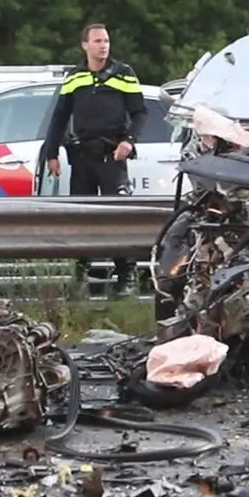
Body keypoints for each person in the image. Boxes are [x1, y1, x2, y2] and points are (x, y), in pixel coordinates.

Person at [40, 23, 148, 296]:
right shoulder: (74, 77)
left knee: (118, 218)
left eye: (107, 41)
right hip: (82, 157)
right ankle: (80, 277)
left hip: (112, 155)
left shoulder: (123, 74)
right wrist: (52, 153)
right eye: (98, 41)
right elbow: (59, 117)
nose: (104, 46)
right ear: (85, 45)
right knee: (82, 219)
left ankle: (126, 276)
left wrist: (129, 141)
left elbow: (140, 113)